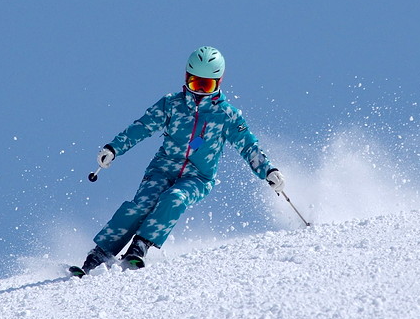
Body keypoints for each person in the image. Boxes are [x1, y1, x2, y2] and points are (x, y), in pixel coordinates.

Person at [69, 46, 285, 276]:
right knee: (140, 206)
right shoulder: (171, 104)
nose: (200, 91)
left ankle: (139, 247)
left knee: (175, 198)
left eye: (207, 85)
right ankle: (99, 255)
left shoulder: (227, 116)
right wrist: (114, 148)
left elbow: (248, 145)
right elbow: (142, 127)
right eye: (195, 83)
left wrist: (268, 170)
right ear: (186, 78)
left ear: (219, 82)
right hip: (162, 170)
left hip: (198, 177)